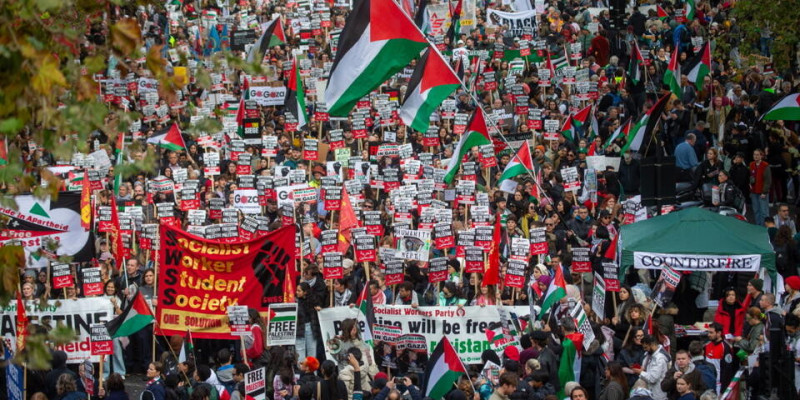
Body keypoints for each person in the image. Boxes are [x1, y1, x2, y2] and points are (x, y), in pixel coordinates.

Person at [703, 322, 736, 393]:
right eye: (708, 332)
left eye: (711, 333)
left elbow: (727, 371)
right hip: (707, 382)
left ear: (719, 333)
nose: (709, 335)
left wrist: (723, 390)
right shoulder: (706, 345)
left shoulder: (726, 348)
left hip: (718, 384)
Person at [634, 335, 670, 400]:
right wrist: (642, 369)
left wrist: (640, 372)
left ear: (652, 344)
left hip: (658, 395)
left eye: (646, 347)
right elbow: (645, 368)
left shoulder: (660, 359)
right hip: (650, 392)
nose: (645, 350)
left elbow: (653, 379)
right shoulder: (649, 355)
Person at [749, 148, 772, 226]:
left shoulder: (765, 165)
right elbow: (751, 176)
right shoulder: (751, 164)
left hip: (762, 192)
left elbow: (768, 180)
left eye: (757, 155)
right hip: (754, 191)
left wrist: (764, 192)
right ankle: (758, 226)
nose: (755, 156)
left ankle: (766, 228)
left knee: (764, 211)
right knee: (756, 210)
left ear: (761, 156)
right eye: (754, 154)